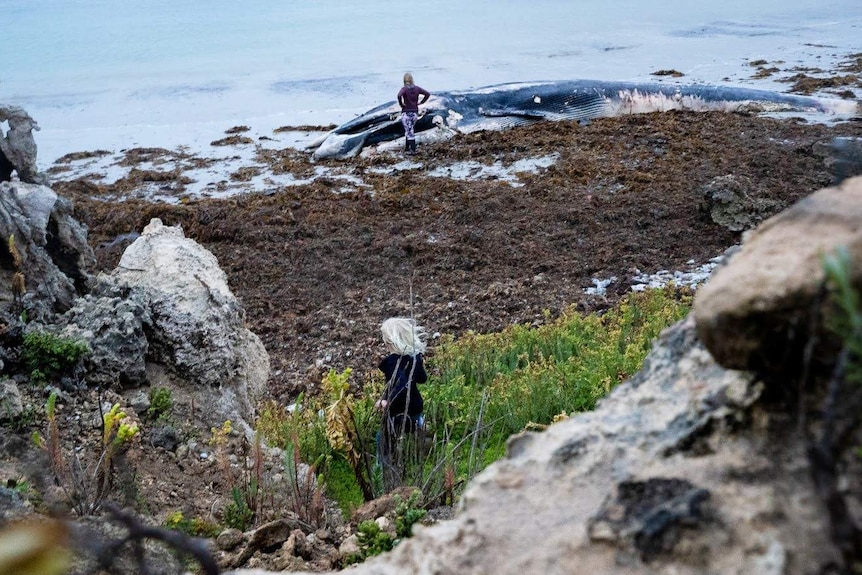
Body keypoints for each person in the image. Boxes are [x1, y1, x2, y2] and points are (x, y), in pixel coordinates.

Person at [375, 317, 428, 488]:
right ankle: (419, 429)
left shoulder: (392, 363)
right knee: (411, 425)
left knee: (383, 438)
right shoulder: (413, 358)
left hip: (398, 410)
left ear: (390, 342)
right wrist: (418, 361)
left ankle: (383, 468)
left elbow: (400, 386)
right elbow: (422, 379)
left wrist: (385, 402)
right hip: (415, 405)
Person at [397, 73, 430, 155]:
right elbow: (427, 94)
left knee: (409, 131)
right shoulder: (417, 88)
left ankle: (413, 150)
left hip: (406, 113)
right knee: (409, 129)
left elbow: (399, 95)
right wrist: (422, 102)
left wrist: (401, 104)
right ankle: (407, 148)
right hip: (415, 113)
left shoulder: (404, 89)